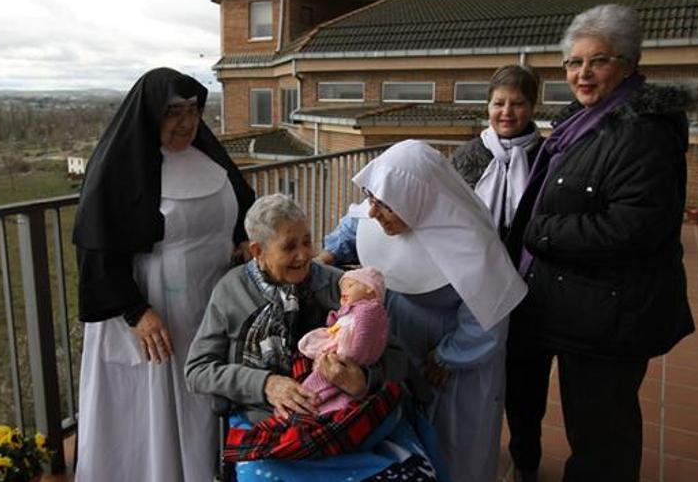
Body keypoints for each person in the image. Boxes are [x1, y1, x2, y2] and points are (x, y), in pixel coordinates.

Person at [506, 4, 696, 482]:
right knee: (534, 398)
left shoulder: (643, 132)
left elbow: (634, 228)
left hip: (609, 314)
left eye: (598, 61)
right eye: (573, 62)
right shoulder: (586, 120)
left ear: (629, 63)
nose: (582, 73)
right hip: (566, 297)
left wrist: (539, 230)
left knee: (600, 435)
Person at [72, 67, 254, 481]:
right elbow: (97, 248)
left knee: (202, 399)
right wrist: (136, 311)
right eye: (173, 112)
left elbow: (242, 204)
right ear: (151, 113)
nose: (187, 123)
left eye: (193, 109)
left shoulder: (207, 155)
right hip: (153, 314)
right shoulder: (120, 169)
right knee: (154, 409)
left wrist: (245, 239)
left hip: (211, 303)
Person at [185, 194, 443, 481]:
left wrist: (363, 378)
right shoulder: (231, 291)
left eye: (307, 242)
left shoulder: (340, 286)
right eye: (289, 247)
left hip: (345, 418)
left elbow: (396, 357)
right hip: (271, 422)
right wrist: (266, 384)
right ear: (258, 251)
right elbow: (198, 369)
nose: (304, 255)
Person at [319, 139, 527, 482]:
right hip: (403, 340)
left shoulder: (470, 239)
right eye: (373, 199)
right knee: (406, 436)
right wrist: (327, 255)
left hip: (454, 360)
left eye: (383, 204)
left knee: (454, 444)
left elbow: (488, 317)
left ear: (414, 199)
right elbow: (355, 224)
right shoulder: (380, 210)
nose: (373, 211)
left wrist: (448, 356)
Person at [450, 64, 543, 238]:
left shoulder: (548, 156)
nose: (506, 112)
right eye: (498, 103)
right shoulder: (464, 156)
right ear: (488, 106)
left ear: (532, 107)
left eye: (517, 104)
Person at [298, 266, 389, 414]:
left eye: (350, 286)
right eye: (342, 291)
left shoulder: (369, 311)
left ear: (370, 289)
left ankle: (311, 406)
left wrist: (346, 357)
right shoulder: (357, 310)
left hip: (344, 362)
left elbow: (361, 339)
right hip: (337, 357)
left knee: (318, 388)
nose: (344, 293)